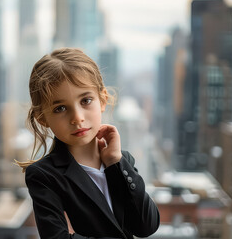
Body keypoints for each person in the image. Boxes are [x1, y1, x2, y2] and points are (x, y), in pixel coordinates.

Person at [16, 47, 160, 239]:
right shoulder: (45, 175)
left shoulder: (122, 160)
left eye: (86, 100)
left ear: (103, 99)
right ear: (42, 118)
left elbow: (147, 226)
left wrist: (116, 162)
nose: (77, 117)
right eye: (60, 108)